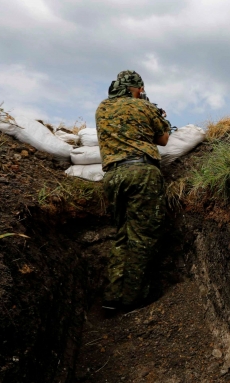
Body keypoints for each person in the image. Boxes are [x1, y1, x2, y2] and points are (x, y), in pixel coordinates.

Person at [96, 70, 170, 313]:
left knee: (123, 235)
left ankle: (112, 296)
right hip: (141, 172)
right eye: (141, 90)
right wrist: (159, 115)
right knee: (143, 236)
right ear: (136, 88)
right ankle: (133, 299)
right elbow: (163, 139)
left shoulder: (102, 108)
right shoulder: (143, 107)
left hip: (113, 177)